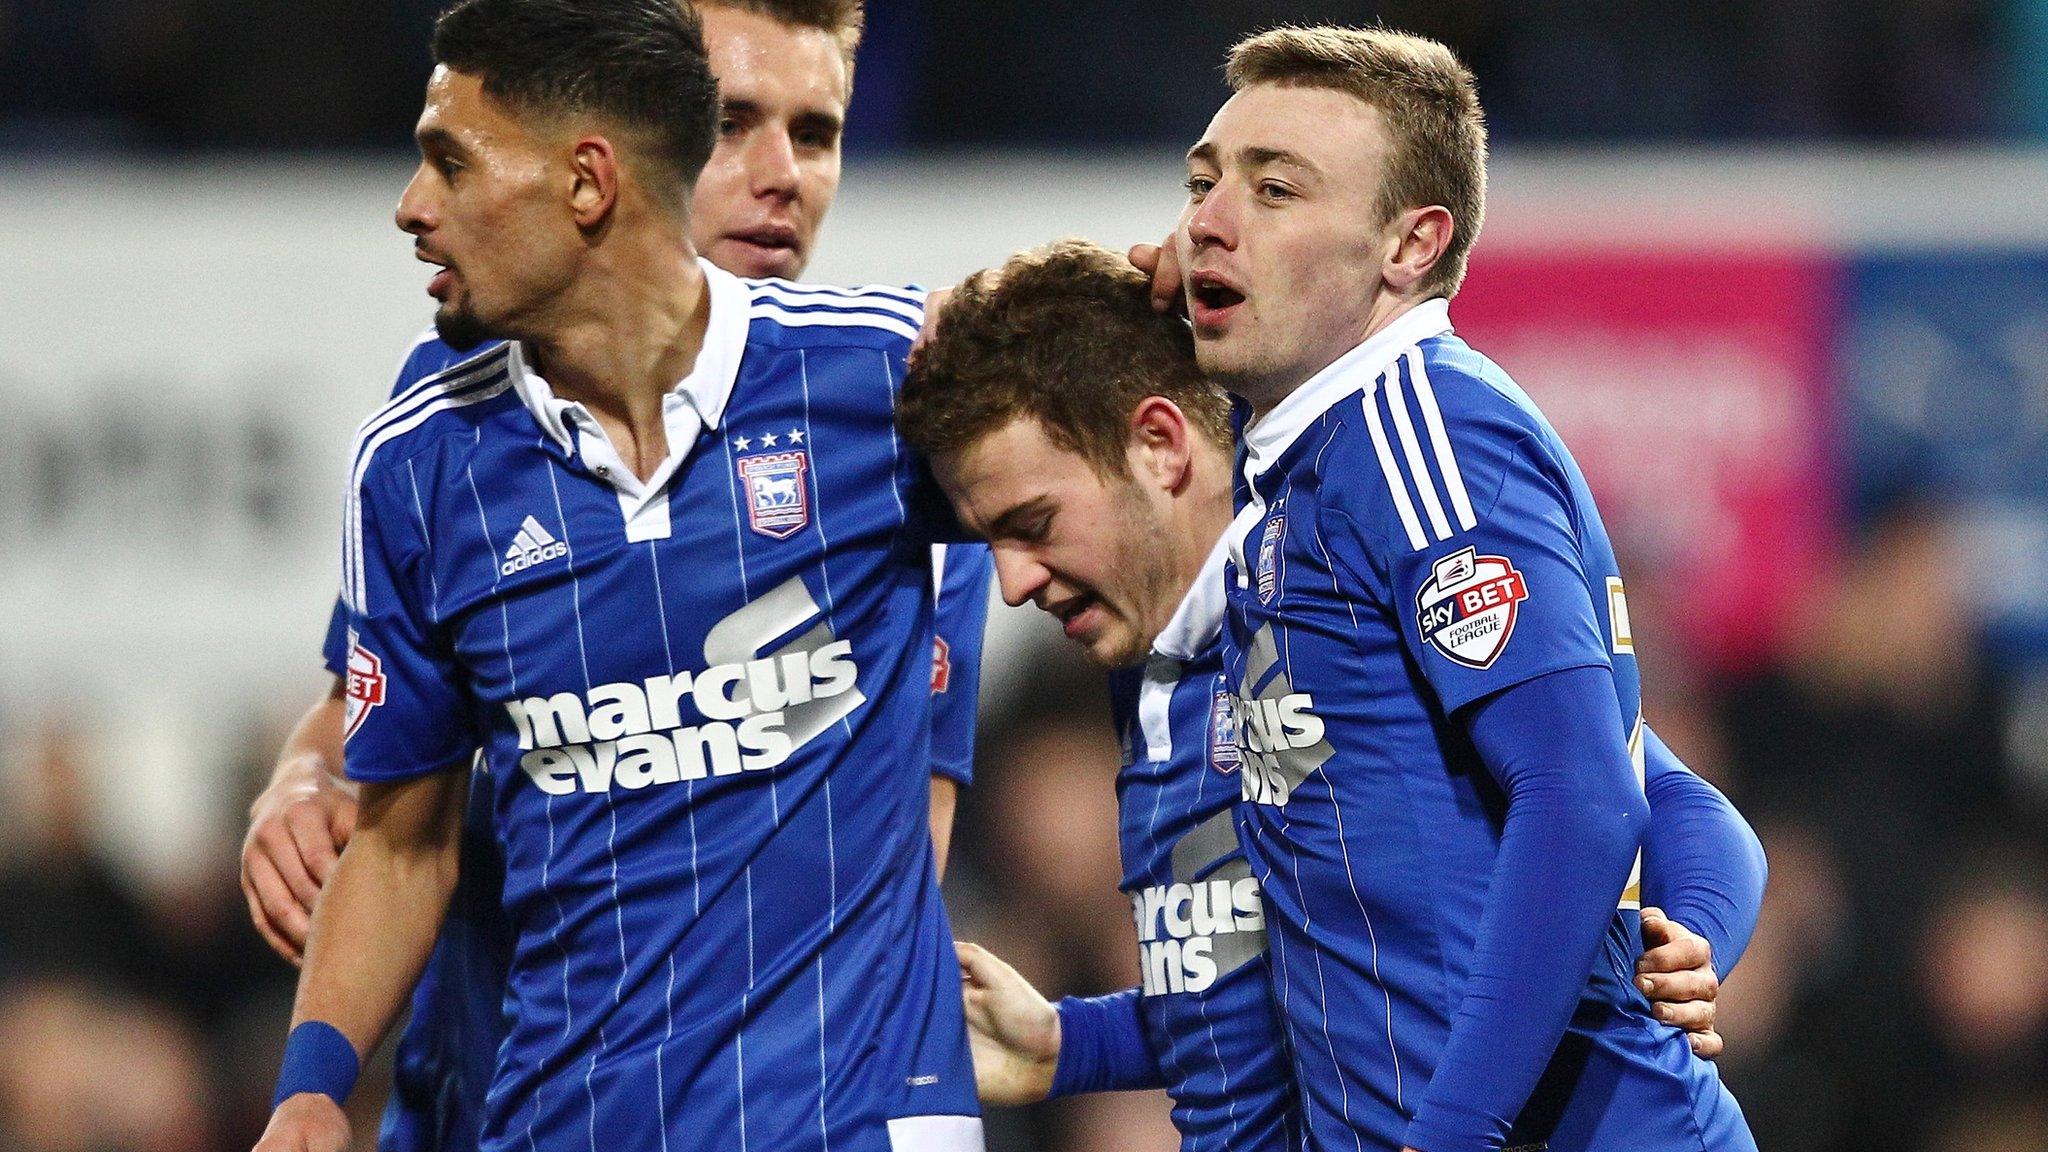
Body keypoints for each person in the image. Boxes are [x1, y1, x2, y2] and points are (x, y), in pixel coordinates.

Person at [238, 3, 991, 1149]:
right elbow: (388, 725)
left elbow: (896, 839)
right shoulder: (435, 437)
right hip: (502, 1083)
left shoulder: (904, 415)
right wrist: (301, 782)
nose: (779, 175)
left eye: (816, 132)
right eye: (731, 121)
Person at [897, 240, 1767, 1149]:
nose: (1010, 584)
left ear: (1159, 443)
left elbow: (1651, 799)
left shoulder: (1334, 584)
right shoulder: (1152, 675)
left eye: (1030, 526)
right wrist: (1073, 1044)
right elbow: (1283, 995)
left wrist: (1685, 942)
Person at [1123, 26, 1753, 1151]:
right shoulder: (1305, 467)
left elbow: (1583, 800)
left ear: (1410, 244)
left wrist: (1449, 1135)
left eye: (1275, 189)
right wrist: (1686, 936)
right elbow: (1668, 792)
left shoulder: (1423, 439)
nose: (1208, 217)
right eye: (1201, 182)